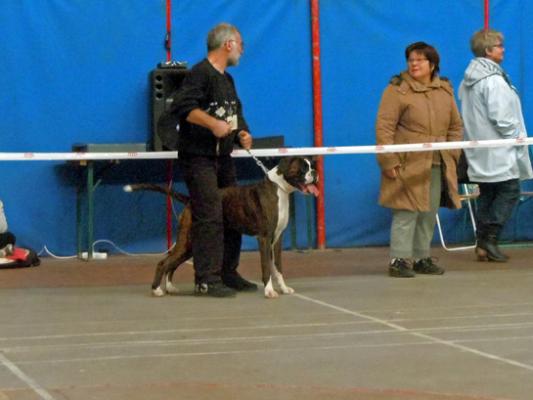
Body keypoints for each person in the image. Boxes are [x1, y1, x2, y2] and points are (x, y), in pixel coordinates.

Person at [168, 23, 256, 297]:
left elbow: (235, 112)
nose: (242, 49)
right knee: (209, 215)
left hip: (223, 158)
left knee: (234, 212)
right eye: (240, 43)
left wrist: (243, 132)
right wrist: (211, 124)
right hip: (199, 158)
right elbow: (182, 107)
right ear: (228, 44)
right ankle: (206, 278)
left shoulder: (227, 80)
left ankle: (228, 271)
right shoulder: (199, 74)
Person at [376, 42, 463, 278]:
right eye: (410, 60)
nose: (414, 64)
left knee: (428, 212)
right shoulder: (396, 90)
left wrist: (452, 153)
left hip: (438, 162)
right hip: (407, 163)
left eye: (419, 60)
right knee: (406, 212)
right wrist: (388, 161)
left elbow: (456, 126)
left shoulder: (445, 90)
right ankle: (399, 259)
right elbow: (384, 128)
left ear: (432, 64)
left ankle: (421, 257)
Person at [458, 29, 533, 262]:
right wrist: (516, 136)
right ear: (488, 51)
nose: (503, 49)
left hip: (480, 149)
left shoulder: (469, 80)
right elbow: (502, 117)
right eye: (499, 45)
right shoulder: (493, 81)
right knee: (509, 191)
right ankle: (490, 239)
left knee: (488, 194)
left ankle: (482, 243)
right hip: (499, 148)